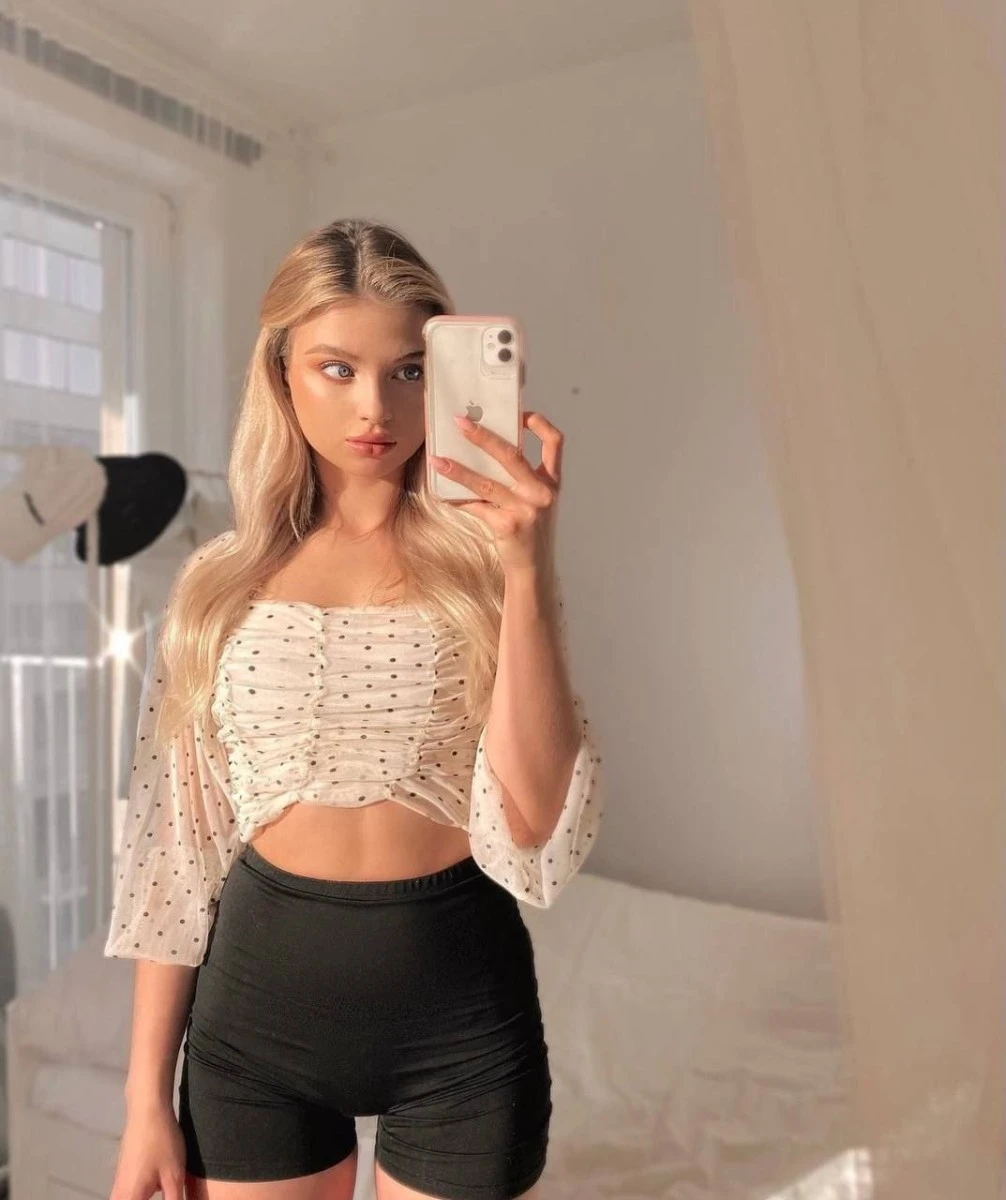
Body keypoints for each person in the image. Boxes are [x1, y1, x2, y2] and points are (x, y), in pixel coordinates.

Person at [104, 217, 604, 1200]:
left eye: (409, 371)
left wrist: (524, 566)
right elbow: (174, 858)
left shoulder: (488, 572)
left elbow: (537, 823)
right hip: (253, 1035)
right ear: (282, 375)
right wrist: (144, 1101)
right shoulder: (216, 586)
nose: (374, 406)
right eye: (337, 369)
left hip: (465, 1032)